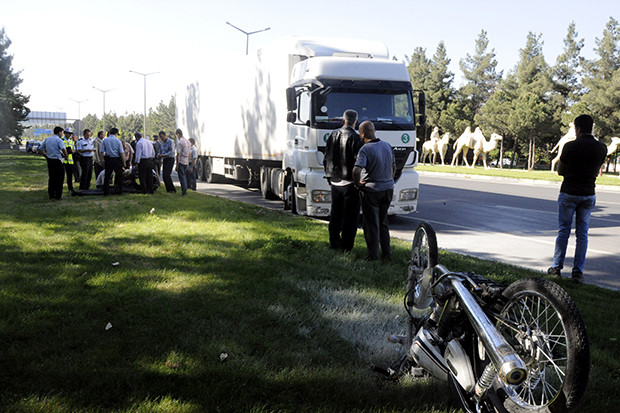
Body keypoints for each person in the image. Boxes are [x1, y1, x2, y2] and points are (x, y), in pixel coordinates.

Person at [548, 114, 607, 283]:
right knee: (582, 234)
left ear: (577, 128)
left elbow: (560, 170)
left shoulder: (570, 146)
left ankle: (556, 267)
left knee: (563, 231)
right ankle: (577, 272)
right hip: (589, 193)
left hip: (569, 192)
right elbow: (596, 169)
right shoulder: (601, 147)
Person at [353, 121, 395, 261]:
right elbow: (393, 167)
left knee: (371, 225)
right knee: (383, 222)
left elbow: (356, 169)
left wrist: (358, 184)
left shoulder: (365, 149)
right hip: (388, 188)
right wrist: (388, 179)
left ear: (363, 133)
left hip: (372, 191)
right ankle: (387, 254)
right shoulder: (387, 145)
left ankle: (373, 256)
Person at [323, 109, 363, 252]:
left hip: (334, 180)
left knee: (335, 213)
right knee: (350, 217)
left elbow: (327, 157)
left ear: (343, 120)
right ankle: (347, 246)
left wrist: (328, 176)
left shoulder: (333, 135)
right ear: (356, 122)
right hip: (350, 182)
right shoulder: (356, 138)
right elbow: (359, 162)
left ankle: (334, 242)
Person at [38, 127, 68, 200]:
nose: (62, 134)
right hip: (58, 160)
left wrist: (46, 156)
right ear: (59, 132)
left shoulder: (47, 139)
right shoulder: (59, 140)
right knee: (60, 178)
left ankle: (51, 195)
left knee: (52, 178)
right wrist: (66, 156)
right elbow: (63, 149)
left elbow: (40, 149)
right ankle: (58, 195)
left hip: (50, 160)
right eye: (62, 132)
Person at [99, 127, 125, 195]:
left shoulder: (105, 140)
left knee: (107, 176)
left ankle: (106, 191)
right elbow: (121, 153)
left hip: (108, 159)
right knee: (119, 176)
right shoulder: (118, 141)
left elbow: (101, 152)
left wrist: (102, 160)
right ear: (116, 133)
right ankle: (119, 190)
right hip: (116, 159)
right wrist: (123, 162)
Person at [175, 129, 191, 196]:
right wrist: (188, 161)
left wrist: (177, 164)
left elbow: (178, 154)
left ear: (178, 134)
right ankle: (185, 190)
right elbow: (189, 153)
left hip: (181, 161)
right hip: (186, 161)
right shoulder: (188, 142)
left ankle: (184, 192)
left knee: (182, 177)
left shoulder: (180, 142)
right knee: (184, 176)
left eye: (176, 135)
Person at [61, 127, 76, 194]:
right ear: (65, 133)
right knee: (61, 176)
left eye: (70, 134)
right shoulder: (61, 140)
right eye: (68, 133)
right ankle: (59, 189)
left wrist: (72, 151)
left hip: (70, 161)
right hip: (63, 161)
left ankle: (70, 188)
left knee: (70, 176)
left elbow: (74, 149)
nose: (69, 135)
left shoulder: (72, 141)